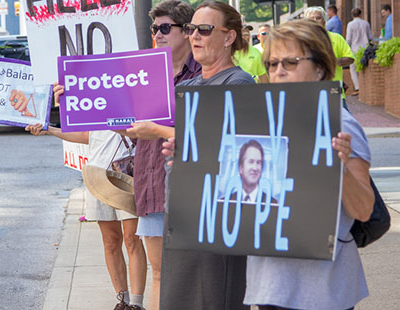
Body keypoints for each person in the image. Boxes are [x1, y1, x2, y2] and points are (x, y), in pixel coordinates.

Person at [241, 19, 374, 309]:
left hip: (320, 290)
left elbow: (364, 209)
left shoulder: (341, 123)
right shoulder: (257, 121)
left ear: (320, 68)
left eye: (290, 62)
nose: (278, 71)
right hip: (270, 283)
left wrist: (337, 165)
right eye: (273, 63)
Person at [159, 2, 254, 309]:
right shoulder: (186, 85)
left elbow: (229, 148)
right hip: (183, 211)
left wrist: (164, 134)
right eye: (190, 29)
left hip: (219, 215)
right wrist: (78, 98)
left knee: (217, 300)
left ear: (229, 37)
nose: (194, 36)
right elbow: (136, 124)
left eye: (205, 29)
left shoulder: (239, 83)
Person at [115, 1, 200, 309]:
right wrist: (84, 103)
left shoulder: (206, 73)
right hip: (152, 185)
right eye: (154, 29)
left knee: (194, 276)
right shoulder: (145, 74)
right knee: (161, 274)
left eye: (166, 28)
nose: (159, 35)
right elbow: (131, 129)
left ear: (187, 31)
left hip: (194, 190)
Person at [25, 98, 147, 309]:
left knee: (132, 239)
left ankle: (136, 304)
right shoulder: (93, 95)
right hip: (97, 175)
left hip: (128, 175)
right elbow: (85, 136)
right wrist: (50, 131)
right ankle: (122, 300)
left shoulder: (131, 89)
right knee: (110, 241)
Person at [305, 6, 354, 105]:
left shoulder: (337, 38)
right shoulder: (302, 41)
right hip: (310, 90)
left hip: (333, 89)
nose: (315, 21)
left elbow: (350, 58)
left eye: (318, 18)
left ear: (324, 21)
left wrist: (332, 61)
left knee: (343, 120)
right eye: (312, 19)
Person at [346, 8, 373, 96]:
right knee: (365, 68)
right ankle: (366, 86)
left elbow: (348, 39)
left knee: (353, 69)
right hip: (365, 49)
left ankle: (358, 88)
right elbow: (370, 37)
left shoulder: (350, 24)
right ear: (361, 14)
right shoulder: (366, 23)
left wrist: (347, 50)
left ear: (352, 15)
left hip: (355, 49)